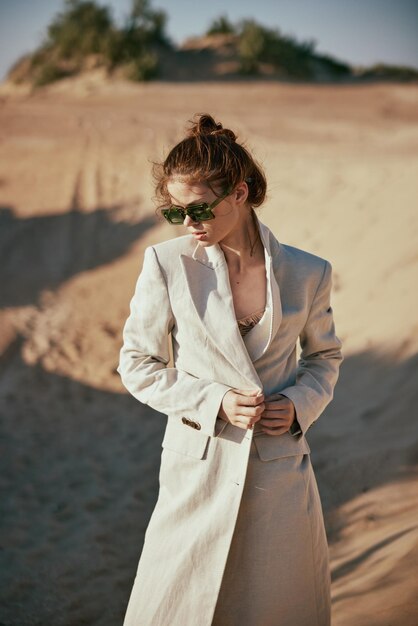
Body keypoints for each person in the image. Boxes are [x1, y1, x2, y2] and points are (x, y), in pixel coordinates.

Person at [117, 113, 343, 626]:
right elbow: (137, 364)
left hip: (278, 469)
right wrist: (212, 401)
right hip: (198, 464)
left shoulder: (309, 272)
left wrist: (297, 406)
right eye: (175, 212)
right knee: (177, 606)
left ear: (239, 193)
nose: (189, 223)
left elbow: (324, 358)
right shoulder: (166, 263)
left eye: (200, 208)